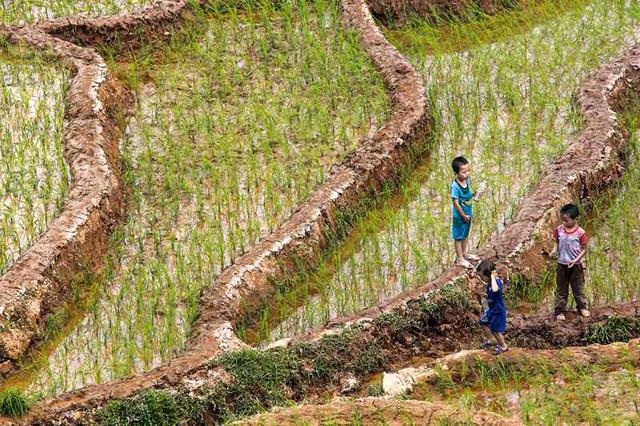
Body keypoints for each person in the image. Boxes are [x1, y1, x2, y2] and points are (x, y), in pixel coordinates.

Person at [551, 203, 589, 321]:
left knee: (578, 288)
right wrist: (554, 250)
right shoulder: (559, 230)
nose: (564, 223)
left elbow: (584, 249)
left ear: (574, 219)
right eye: (562, 220)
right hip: (562, 264)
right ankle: (560, 311)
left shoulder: (580, 233)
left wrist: (575, 260)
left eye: (566, 221)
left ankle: (582, 307)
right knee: (561, 289)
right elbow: (557, 242)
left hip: (575, 265)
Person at [451, 156, 479, 268]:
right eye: (464, 172)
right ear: (456, 174)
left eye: (468, 171)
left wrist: (474, 194)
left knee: (466, 234)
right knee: (458, 236)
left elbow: (467, 195)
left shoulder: (467, 181)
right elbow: (456, 203)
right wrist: (462, 215)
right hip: (460, 216)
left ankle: (465, 253)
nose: (467, 174)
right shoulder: (455, 187)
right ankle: (460, 258)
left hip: (468, 213)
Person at [477, 259, 508, 355]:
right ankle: (491, 340)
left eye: (482, 277)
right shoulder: (490, 283)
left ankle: (503, 346)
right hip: (491, 309)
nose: (481, 279)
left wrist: (493, 277)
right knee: (483, 322)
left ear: (489, 275)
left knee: (495, 329)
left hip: (498, 311)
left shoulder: (496, 282)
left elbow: (495, 290)